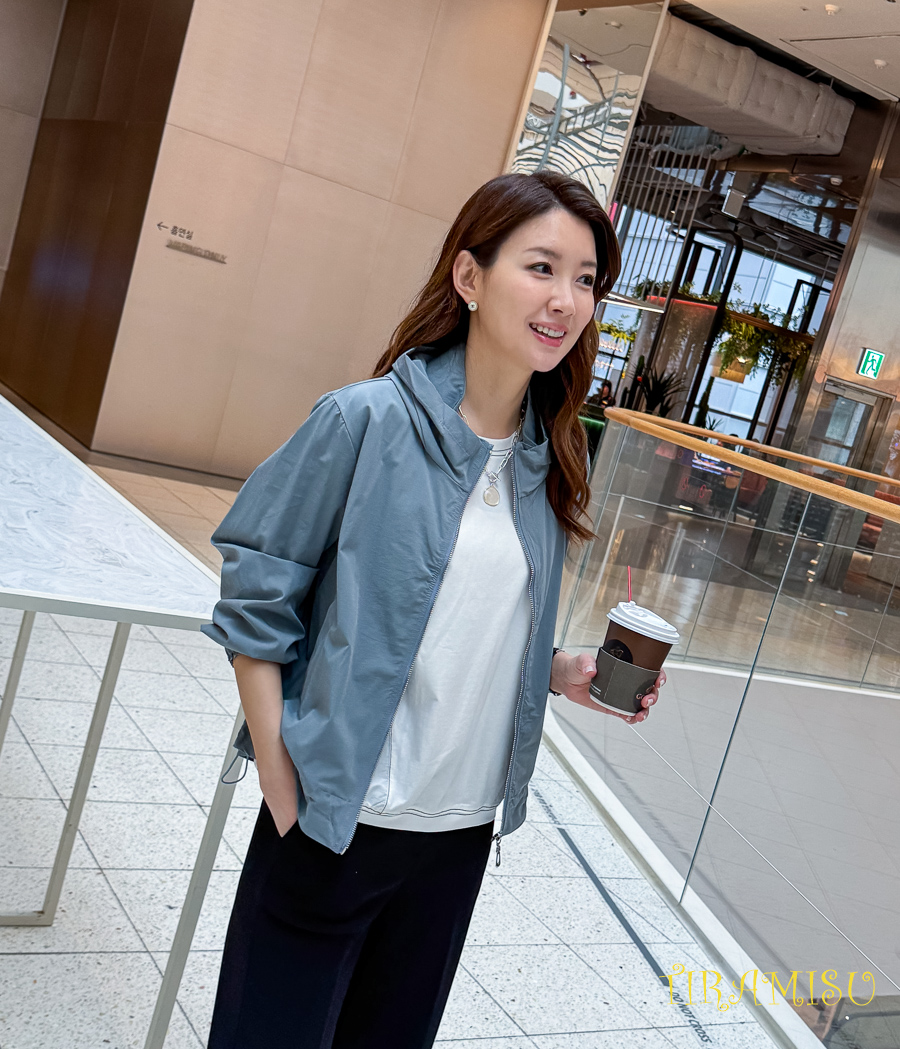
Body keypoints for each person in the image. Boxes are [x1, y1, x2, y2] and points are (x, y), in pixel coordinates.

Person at [201, 171, 665, 1049]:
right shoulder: (363, 420)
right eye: (541, 267)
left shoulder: (551, 461)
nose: (566, 300)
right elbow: (257, 596)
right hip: (333, 822)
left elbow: (458, 620)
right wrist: (281, 780)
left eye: (586, 279)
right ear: (469, 276)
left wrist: (560, 670)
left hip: (454, 842)